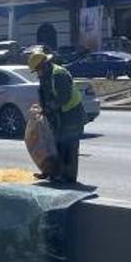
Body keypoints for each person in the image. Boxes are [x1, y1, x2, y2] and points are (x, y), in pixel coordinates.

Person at [29, 51, 86, 184]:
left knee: (69, 147)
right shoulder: (45, 77)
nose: (37, 74)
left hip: (72, 115)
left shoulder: (58, 74)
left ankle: (69, 178)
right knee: (56, 145)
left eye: (37, 70)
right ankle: (53, 173)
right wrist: (41, 108)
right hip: (60, 117)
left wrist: (48, 108)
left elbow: (64, 97)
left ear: (43, 66)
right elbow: (44, 95)